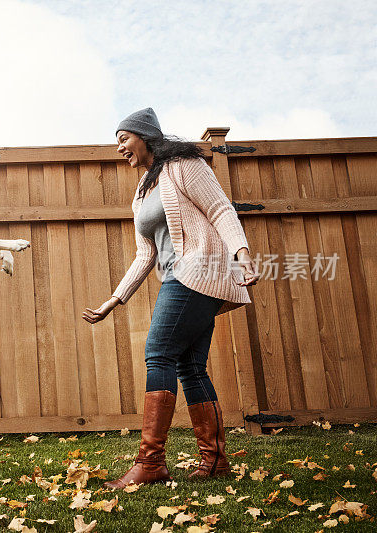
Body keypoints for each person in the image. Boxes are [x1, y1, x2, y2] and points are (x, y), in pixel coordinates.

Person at [83, 108, 260, 488]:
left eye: (123, 138)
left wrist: (242, 255)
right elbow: (145, 254)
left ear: (145, 136)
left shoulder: (184, 164)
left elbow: (219, 209)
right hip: (179, 275)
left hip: (196, 269)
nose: (119, 148)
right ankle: (214, 461)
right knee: (191, 367)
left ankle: (150, 463)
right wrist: (115, 299)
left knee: (158, 352)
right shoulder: (143, 190)